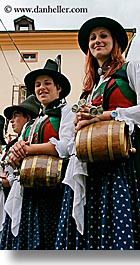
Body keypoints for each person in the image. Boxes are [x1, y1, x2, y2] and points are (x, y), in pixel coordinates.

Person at [55, 17, 140, 250]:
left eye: (103, 35)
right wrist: (79, 123)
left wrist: (106, 115)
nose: (97, 41)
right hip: (93, 163)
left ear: (115, 42)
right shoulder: (90, 89)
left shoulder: (132, 68)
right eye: (92, 38)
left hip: (126, 157)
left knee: (124, 217)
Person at [0, 59, 75, 250]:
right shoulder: (30, 124)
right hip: (29, 192)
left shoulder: (67, 111)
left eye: (47, 83)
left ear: (59, 88)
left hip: (55, 189)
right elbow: (11, 159)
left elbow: (67, 146)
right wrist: (14, 155)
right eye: (38, 85)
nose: (42, 88)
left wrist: (29, 149)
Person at [0, 95, 40, 240]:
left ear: (28, 118)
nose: (11, 120)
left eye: (16, 116)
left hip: (25, 199)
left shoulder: (32, 144)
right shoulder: (12, 145)